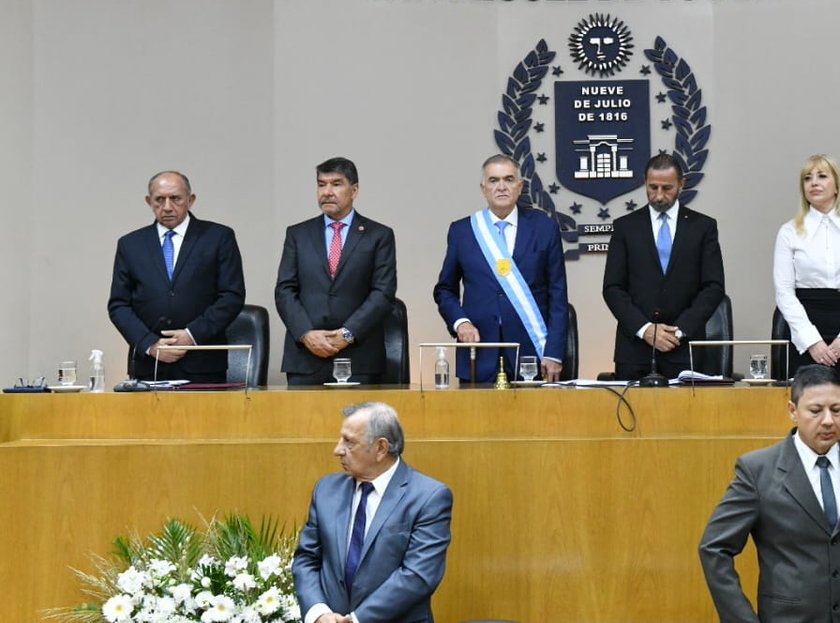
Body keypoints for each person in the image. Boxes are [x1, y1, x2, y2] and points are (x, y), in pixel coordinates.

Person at [699, 364, 840, 622]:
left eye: (836, 409)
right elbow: (714, 548)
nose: (828, 420)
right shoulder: (758, 471)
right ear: (792, 411)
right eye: (816, 411)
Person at [294, 402, 452, 623]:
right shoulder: (326, 491)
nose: (337, 450)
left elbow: (418, 576)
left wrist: (357, 619)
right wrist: (319, 613)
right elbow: (307, 559)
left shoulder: (428, 497)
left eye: (349, 442)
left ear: (381, 448)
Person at [433, 154, 569, 383]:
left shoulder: (544, 227)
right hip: (478, 354)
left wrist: (554, 352)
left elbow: (558, 295)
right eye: (494, 181)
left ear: (520, 186)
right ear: (483, 188)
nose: (502, 187)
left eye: (508, 179)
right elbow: (444, 290)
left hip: (531, 356)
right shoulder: (463, 231)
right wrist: (461, 323)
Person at [108, 171, 246, 383]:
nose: (167, 207)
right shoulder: (130, 244)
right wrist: (149, 344)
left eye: (176, 198)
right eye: (159, 199)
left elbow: (231, 296)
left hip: (203, 363)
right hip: (149, 365)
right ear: (148, 202)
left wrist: (191, 335)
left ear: (191, 200)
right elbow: (118, 305)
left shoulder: (218, 237)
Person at [602, 153, 725, 380]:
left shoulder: (703, 227)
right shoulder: (625, 227)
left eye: (667, 188)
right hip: (634, 350)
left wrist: (678, 331)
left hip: (684, 349)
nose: (659, 196)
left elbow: (713, 287)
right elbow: (612, 288)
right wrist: (645, 329)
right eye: (653, 187)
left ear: (681, 185)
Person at [275, 157, 398, 386]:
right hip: (306, 357)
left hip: (359, 357)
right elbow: (284, 290)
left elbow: (383, 293)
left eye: (336, 184)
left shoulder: (378, 235)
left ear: (354, 189)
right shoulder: (298, 234)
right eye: (322, 184)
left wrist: (348, 334)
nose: (327, 192)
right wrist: (306, 334)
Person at [773, 154, 840, 378]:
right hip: (806, 327)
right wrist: (811, 341)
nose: (814, 183)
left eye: (822, 176)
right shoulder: (789, 232)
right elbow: (784, 292)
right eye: (807, 178)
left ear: (837, 186)